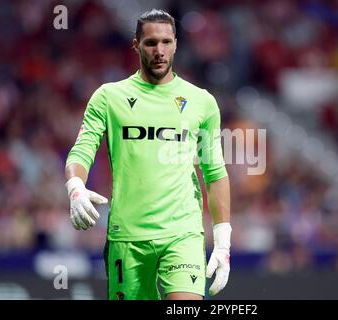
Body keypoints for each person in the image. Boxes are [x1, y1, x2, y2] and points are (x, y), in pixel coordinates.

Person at [64, 9, 231, 300]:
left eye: (166, 42)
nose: (159, 50)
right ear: (136, 45)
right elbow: (82, 150)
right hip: (127, 236)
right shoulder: (108, 97)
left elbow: (214, 172)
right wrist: (75, 186)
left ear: (176, 44)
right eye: (151, 43)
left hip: (183, 233)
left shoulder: (202, 102)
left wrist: (223, 241)